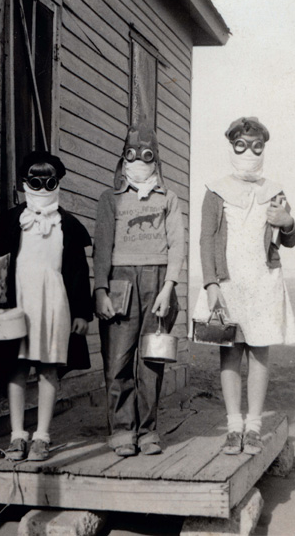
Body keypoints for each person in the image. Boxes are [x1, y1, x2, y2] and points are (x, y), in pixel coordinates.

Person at [0, 151, 92, 462]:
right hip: (17, 301)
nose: (42, 187)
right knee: (15, 368)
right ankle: (17, 434)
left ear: (57, 183)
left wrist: (82, 312)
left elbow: (79, 272)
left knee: (47, 368)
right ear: (25, 182)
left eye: (49, 181)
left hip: (54, 302)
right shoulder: (12, 221)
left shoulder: (67, 224)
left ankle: (42, 435)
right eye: (35, 181)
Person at [195, 117, 295, 455]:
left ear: (264, 148)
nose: (249, 152)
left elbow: (290, 239)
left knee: (260, 352)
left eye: (257, 146)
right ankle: (233, 425)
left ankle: (253, 426)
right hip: (228, 284)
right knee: (230, 353)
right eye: (242, 145)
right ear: (232, 146)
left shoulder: (274, 190)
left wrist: (288, 223)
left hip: (262, 283)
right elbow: (206, 239)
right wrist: (211, 283)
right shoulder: (216, 189)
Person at [93, 123, 186, 457]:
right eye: (131, 155)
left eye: (146, 155)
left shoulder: (168, 198)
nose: (138, 162)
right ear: (123, 158)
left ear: (155, 159)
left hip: (157, 283)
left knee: (151, 358)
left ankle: (147, 431)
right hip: (120, 281)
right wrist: (101, 289)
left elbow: (177, 245)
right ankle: (121, 431)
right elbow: (102, 247)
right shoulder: (110, 199)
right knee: (118, 359)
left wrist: (169, 287)